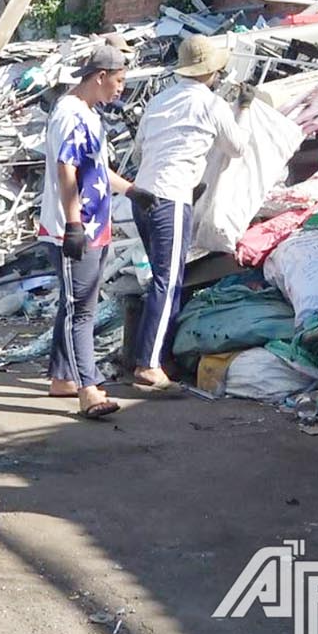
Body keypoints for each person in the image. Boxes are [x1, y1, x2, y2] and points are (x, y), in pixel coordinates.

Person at [129, 35, 252, 392]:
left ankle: (157, 354)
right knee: (168, 285)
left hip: (142, 196)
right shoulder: (212, 104)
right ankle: (148, 365)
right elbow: (238, 147)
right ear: (212, 72)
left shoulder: (159, 100)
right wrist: (242, 109)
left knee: (159, 280)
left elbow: (139, 152)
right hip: (171, 198)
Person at [39, 43, 138, 419]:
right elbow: (67, 169)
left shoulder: (88, 113)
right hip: (75, 227)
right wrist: (75, 222)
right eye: (118, 80)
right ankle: (89, 389)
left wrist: (132, 190)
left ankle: (63, 378)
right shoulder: (69, 114)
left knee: (77, 305)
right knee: (81, 311)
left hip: (93, 225)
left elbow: (93, 168)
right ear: (99, 77)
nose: (121, 89)